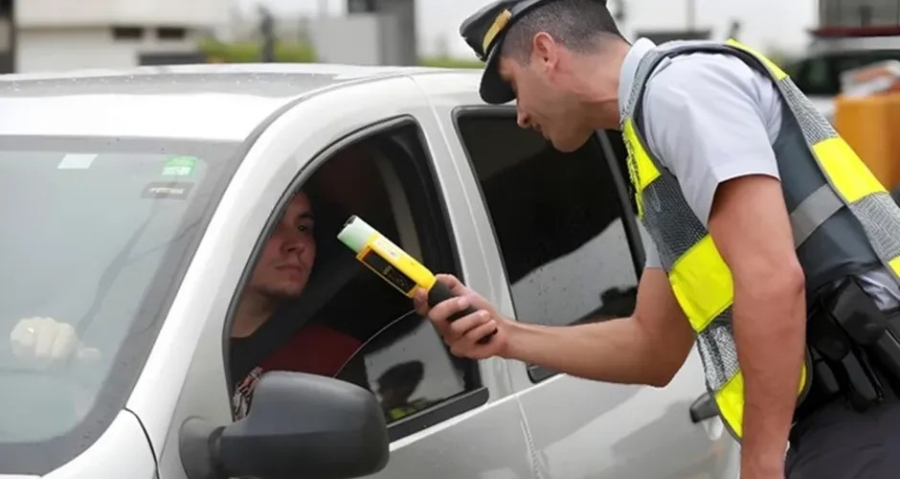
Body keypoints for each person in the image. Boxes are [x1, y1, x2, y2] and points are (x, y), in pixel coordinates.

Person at [414, 1, 900, 478]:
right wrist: (505, 335)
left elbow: (770, 280)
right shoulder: (654, 155)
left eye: (514, 87)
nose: (520, 115)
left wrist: (759, 462)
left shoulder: (680, 91)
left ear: (546, 52)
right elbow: (653, 347)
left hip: (874, 399)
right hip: (857, 405)